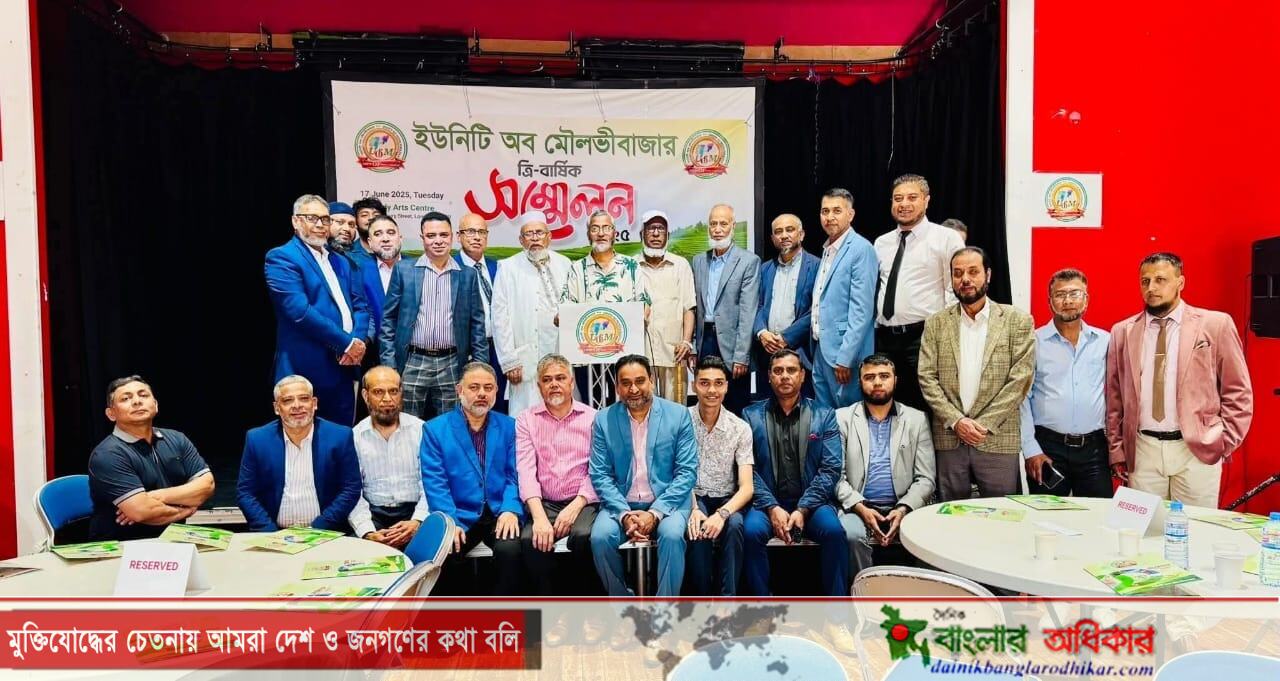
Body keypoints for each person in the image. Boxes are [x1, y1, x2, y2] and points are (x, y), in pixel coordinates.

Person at [1105, 253, 1252, 507]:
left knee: (1195, 526)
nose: (1151, 288)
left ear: (1180, 282)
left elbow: (1238, 390)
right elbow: (1114, 396)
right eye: (1145, 281)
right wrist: (1117, 449)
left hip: (1196, 450)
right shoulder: (1123, 331)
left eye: (1160, 279)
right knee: (1146, 527)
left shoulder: (1215, 324)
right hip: (1143, 450)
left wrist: (1223, 442)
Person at [918, 247, 1035, 500]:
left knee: (1004, 515)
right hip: (950, 437)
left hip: (997, 437)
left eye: (973, 272)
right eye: (958, 273)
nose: (965, 279)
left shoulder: (1017, 320)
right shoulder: (936, 323)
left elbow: (1021, 379)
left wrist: (983, 425)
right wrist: (957, 421)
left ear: (988, 275)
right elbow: (927, 377)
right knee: (951, 515)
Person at [588, 354, 697, 597]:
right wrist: (624, 514)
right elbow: (600, 474)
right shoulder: (604, 419)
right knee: (600, 538)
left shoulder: (678, 415)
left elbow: (687, 472)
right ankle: (623, 604)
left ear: (651, 381)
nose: (634, 389)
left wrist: (655, 513)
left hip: (667, 502)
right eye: (626, 383)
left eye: (640, 381)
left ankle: (664, 609)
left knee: (671, 536)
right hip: (621, 503)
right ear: (617, 387)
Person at [742, 349, 848, 597]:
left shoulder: (824, 415)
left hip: (812, 505)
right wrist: (772, 507)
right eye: (778, 371)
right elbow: (747, 469)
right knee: (750, 533)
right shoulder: (750, 416)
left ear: (802, 375)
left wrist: (803, 508)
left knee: (834, 532)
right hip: (766, 504)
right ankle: (762, 607)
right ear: (769, 377)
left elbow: (830, 468)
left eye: (791, 370)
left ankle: (836, 611)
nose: (785, 376)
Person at [265, 194, 371, 426]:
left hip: (345, 366)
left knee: (342, 436)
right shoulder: (282, 257)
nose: (321, 224)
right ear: (295, 221)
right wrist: (346, 343)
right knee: (302, 438)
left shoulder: (341, 261)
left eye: (325, 219)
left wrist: (357, 342)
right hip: (305, 369)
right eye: (312, 218)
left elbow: (361, 306)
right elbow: (299, 312)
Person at [419, 362, 524, 595]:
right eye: (474, 387)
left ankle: (505, 615)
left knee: (512, 550)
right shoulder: (435, 430)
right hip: (460, 514)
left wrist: (510, 508)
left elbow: (515, 474)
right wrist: (451, 521)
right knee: (447, 553)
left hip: (499, 512)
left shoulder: (510, 426)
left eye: (488, 388)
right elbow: (436, 483)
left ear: (497, 391)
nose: (481, 394)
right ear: (460, 390)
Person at [378, 211, 487, 420]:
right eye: (431, 236)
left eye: (443, 235)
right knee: (407, 423)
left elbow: (477, 324)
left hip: (452, 363)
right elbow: (388, 320)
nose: (438, 241)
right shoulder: (404, 270)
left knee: (450, 425)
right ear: (422, 238)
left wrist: (479, 367)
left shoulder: (467, 275)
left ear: (452, 237)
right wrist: (390, 364)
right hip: (412, 360)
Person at [835, 354, 935, 574]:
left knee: (928, 534)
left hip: (904, 504)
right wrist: (860, 507)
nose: (877, 382)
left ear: (895, 380)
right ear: (860, 382)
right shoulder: (842, 419)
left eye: (884, 376)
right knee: (850, 535)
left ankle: (915, 593)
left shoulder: (916, 419)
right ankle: (863, 590)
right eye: (869, 377)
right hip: (857, 506)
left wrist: (904, 507)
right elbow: (836, 477)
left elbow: (926, 478)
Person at [873, 175, 966, 412]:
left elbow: (954, 289)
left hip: (924, 336)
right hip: (884, 338)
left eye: (912, 197)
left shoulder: (946, 238)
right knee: (887, 408)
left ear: (926, 200)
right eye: (898, 198)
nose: (904, 204)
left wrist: (945, 336)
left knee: (925, 407)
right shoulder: (881, 243)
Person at [1019, 269, 1112, 497]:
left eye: (1075, 293)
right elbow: (1022, 399)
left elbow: (1117, 393)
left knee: (1097, 513)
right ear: (1050, 301)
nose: (1068, 301)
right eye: (1060, 295)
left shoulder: (1104, 341)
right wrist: (1030, 449)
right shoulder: (1034, 342)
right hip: (1048, 448)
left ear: (1086, 299)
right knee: (1047, 514)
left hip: (1094, 449)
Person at [86, 376, 214, 541]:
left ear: (155, 405)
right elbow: (141, 511)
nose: (137, 401)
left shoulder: (177, 438)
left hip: (175, 539)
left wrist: (155, 496)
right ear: (111, 414)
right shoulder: (107, 454)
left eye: (143, 395)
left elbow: (207, 486)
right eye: (126, 398)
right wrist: (186, 510)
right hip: (123, 546)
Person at [515, 354, 599, 596]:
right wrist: (539, 517)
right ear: (538, 386)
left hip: (583, 501)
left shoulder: (593, 418)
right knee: (531, 539)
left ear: (571, 382)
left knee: (584, 536)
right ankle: (549, 607)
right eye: (547, 379)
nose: (554, 384)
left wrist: (575, 507)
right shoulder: (526, 420)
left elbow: (598, 470)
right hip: (545, 502)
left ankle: (586, 604)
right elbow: (526, 471)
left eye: (560, 378)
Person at [236, 375, 363, 532]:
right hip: (273, 533)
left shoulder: (340, 437)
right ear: (276, 408)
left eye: (304, 398)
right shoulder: (257, 439)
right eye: (288, 400)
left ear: (314, 403)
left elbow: (351, 489)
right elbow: (246, 493)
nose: (297, 406)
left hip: (325, 533)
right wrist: (269, 532)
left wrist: (318, 529)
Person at [560, 210, 651, 404]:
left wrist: (642, 315)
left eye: (606, 228)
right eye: (595, 229)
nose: (601, 233)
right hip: (587, 354)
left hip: (623, 353)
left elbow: (644, 303)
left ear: (614, 233)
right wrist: (561, 316)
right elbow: (566, 307)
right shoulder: (577, 268)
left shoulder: (631, 266)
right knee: (590, 406)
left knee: (625, 404)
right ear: (588, 234)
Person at [492, 211, 573, 416]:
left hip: (560, 350)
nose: (535, 238)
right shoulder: (508, 268)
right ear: (521, 240)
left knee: (562, 411)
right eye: (529, 234)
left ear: (549, 237)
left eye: (539, 233)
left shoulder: (565, 264)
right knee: (525, 415)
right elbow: (500, 317)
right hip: (524, 357)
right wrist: (509, 360)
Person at [685, 356, 753, 596]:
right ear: (694, 385)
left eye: (718, 383)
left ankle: (727, 603)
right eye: (704, 383)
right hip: (692, 496)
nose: (712, 390)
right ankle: (702, 603)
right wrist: (693, 508)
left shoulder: (740, 427)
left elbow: (747, 487)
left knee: (735, 526)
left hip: (727, 499)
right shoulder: (681, 422)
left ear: (726, 386)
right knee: (697, 529)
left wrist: (722, 514)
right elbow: (675, 473)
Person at [812, 188, 878, 409]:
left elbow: (862, 310)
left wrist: (846, 357)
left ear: (851, 214)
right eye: (825, 211)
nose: (829, 217)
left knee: (850, 416)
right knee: (825, 417)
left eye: (836, 211)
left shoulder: (861, 249)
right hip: (821, 348)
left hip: (845, 353)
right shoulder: (828, 249)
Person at [348, 366, 427, 547]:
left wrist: (418, 521)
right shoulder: (354, 437)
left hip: (415, 512)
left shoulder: (421, 430)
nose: (387, 399)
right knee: (355, 553)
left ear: (401, 393)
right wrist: (367, 532)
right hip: (373, 515)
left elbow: (431, 484)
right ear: (365, 396)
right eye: (378, 392)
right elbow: (352, 493)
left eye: (393, 391)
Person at [753, 213, 819, 396]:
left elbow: (816, 310)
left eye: (789, 230)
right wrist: (762, 332)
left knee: (801, 408)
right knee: (767, 407)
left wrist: (786, 337)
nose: (783, 235)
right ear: (772, 238)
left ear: (801, 234)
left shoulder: (817, 267)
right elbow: (757, 305)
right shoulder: (765, 269)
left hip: (800, 352)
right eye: (778, 232)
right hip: (767, 353)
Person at [639, 210, 696, 404]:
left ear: (668, 235)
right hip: (642, 354)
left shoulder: (681, 265)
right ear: (642, 234)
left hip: (674, 353)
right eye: (651, 229)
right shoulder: (631, 267)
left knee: (675, 410)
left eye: (661, 229)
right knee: (643, 408)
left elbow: (689, 307)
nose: (656, 234)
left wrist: (686, 341)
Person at [454, 213, 506, 414]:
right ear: (459, 236)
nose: (476, 237)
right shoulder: (451, 267)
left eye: (481, 232)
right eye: (470, 232)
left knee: (498, 404)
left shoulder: (498, 267)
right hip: (467, 350)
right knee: (470, 406)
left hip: (498, 348)